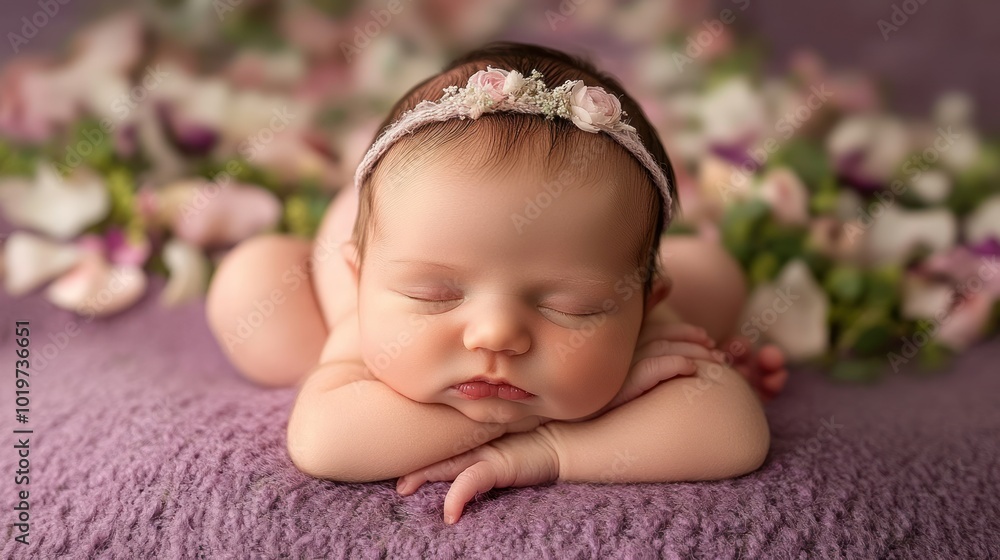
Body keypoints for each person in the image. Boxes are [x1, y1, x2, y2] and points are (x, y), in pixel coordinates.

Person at [205, 42, 788, 524]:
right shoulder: (366, 323)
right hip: (329, 264)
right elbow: (325, 442)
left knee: (714, 277)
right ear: (362, 282)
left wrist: (545, 453)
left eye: (572, 307)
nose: (495, 335)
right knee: (250, 289)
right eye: (435, 295)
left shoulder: (633, 299)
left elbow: (736, 431)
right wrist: (579, 407)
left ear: (642, 304)